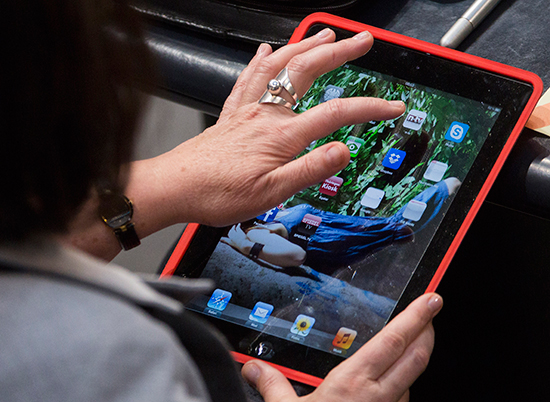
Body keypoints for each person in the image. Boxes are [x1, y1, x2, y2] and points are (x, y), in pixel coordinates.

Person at [1, 1, 442, 402]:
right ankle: (400, 223)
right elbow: (286, 251)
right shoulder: (111, 361)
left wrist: (173, 180)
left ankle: (399, 222)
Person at [222, 178, 460, 274]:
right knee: (450, 184)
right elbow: (297, 255)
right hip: (378, 235)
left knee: (452, 185)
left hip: (379, 230)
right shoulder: (254, 230)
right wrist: (245, 246)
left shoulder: (267, 216)